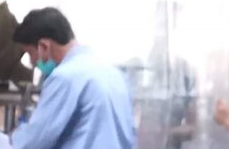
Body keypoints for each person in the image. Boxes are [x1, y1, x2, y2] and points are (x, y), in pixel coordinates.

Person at [11, 8, 136, 149]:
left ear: (43, 46)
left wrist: (13, 138)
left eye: (30, 54)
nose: (33, 62)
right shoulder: (114, 73)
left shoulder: (64, 77)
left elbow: (33, 142)